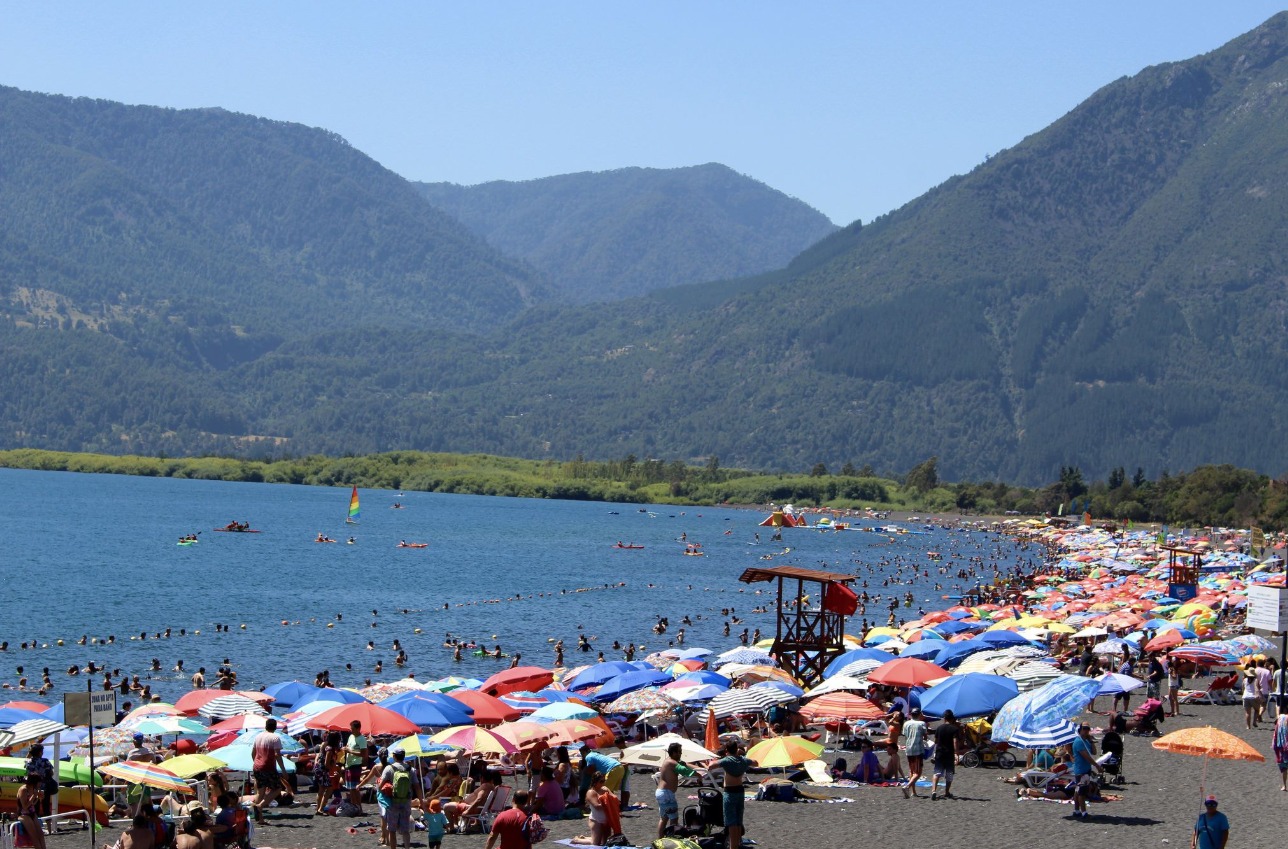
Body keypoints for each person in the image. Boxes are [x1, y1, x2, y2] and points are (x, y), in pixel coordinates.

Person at [250, 717, 288, 824]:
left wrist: (256, 762)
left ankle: (260, 819)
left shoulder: (258, 736)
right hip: (268, 767)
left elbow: (253, 753)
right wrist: (283, 770)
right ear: (275, 727)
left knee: (260, 792)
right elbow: (277, 755)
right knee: (277, 788)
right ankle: (260, 805)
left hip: (257, 766)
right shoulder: (275, 738)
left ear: (266, 726)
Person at [717, 740, 753, 849]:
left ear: (727, 750)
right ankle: (737, 844)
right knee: (738, 820)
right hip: (740, 791)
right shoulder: (742, 760)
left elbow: (712, 765)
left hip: (730, 791)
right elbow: (755, 762)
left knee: (731, 822)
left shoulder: (727, 761)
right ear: (736, 749)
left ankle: (733, 847)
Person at [380, 749, 417, 849]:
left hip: (393, 802)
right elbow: (417, 786)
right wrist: (421, 801)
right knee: (405, 830)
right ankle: (407, 847)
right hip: (406, 801)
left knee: (392, 830)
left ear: (394, 756)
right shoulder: (411, 769)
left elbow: (380, 785)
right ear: (404, 756)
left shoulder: (389, 768)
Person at [1070, 722, 1102, 818]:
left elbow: (1094, 752)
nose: (1086, 730)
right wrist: (1097, 766)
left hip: (1085, 769)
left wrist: (1091, 741)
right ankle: (1083, 812)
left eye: (1088, 729)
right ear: (1080, 729)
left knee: (1078, 790)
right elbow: (1086, 756)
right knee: (1082, 792)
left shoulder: (1086, 741)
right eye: (1084, 728)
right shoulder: (1078, 742)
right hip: (1081, 770)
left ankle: (1076, 810)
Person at [929, 710, 961, 800]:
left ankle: (933, 790)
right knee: (949, 773)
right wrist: (956, 753)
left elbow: (935, 741)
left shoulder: (939, 728)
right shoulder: (954, 729)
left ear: (944, 718)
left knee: (937, 773)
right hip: (949, 754)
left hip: (939, 753)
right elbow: (955, 742)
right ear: (952, 718)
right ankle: (947, 792)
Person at [571, 773, 610, 846]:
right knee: (595, 843)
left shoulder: (605, 789)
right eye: (601, 781)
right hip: (596, 820)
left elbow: (613, 798)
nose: (603, 783)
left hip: (605, 820)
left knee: (605, 842)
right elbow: (596, 806)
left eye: (604, 781)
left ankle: (585, 838)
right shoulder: (591, 792)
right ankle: (576, 840)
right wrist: (609, 804)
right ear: (595, 782)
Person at [656, 742, 683, 838]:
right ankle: (671, 840)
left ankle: (660, 840)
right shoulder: (672, 762)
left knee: (664, 818)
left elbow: (686, 765)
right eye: (679, 752)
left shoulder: (667, 761)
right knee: (674, 819)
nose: (681, 754)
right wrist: (699, 775)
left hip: (661, 793)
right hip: (667, 794)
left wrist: (700, 768)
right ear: (674, 753)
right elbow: (685, 770)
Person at [901, 707, 928, 798]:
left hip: (908, 748)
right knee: (918, 772)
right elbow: (925, 737)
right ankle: (907, 786)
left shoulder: (906, 723)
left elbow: (905, 735)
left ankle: (914, 792)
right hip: (917, 749)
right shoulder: (921, 723)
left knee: (912, 771)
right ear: (919, 714)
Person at [24, 743, 56, 818]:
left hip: (33, 787)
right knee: (46, 807)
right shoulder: (45, 761)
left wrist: (31, 751)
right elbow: (51, 773)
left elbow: (27, 759)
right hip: (45, 787)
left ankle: (36, 822)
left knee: (35, 807)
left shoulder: (28, 762)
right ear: (40, 752)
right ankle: (49, 825)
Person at [16, 772, 47, 849]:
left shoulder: (33, 788)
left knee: (40, 834)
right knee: (34, 836)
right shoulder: (23, 789)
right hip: (23, 814)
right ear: (34, 782)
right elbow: (25, 806)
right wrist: (34, 796)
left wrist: (39, 798)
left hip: (32, 813)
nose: (40, 784)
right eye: (39, 782)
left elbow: (32, 804)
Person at [343, 720, 367, 812]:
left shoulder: (362, 739)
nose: (351, 730)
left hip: (356, 765)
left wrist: (350, 751)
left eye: (353, 729)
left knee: (355, 788)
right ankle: (354, 807)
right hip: (348, 764)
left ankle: (359, 808)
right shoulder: (351, 736)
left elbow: (363, 754)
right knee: (350, 788)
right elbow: (348, 747)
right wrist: (345, 749)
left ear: (358, 729)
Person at [1274, 714, 1288, 792]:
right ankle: (1284, 785)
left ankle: (1284, 786)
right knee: (1283, 766)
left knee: (1283, 767)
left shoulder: (1280, 720)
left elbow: (1276, 734)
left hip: (1282, 746)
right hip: (1284, 746)